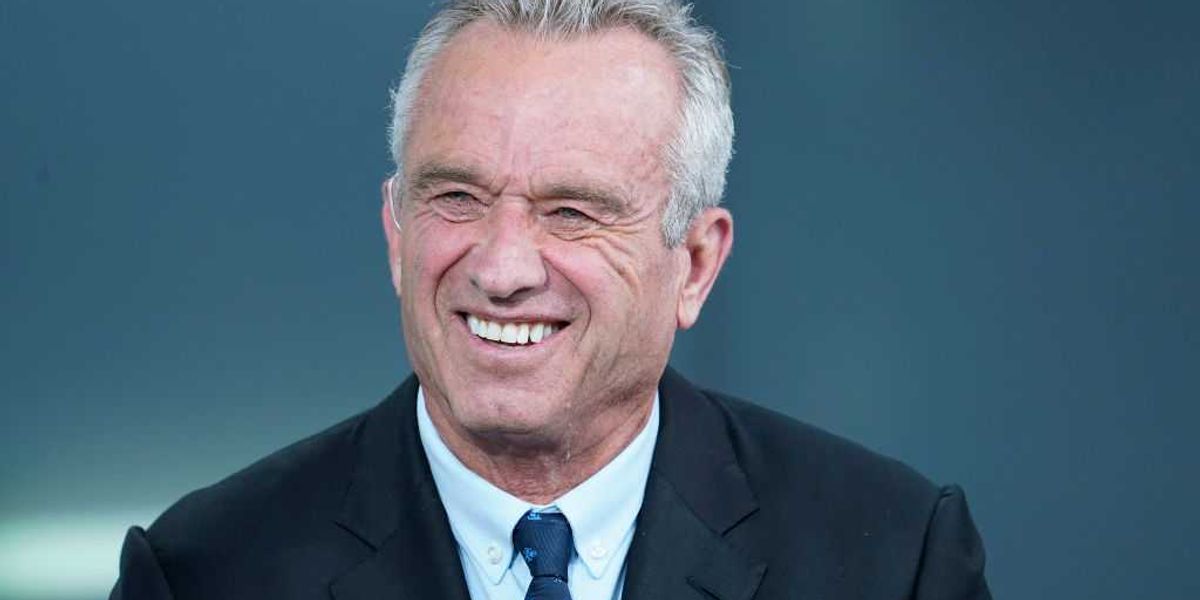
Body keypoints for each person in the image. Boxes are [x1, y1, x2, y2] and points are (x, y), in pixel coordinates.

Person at [110, 1, 991, 598]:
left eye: (572, 211)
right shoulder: (204, 573)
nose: (501, 269)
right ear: (396, 233)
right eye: (456, 197)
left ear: (694, 264)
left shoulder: (892, 559)